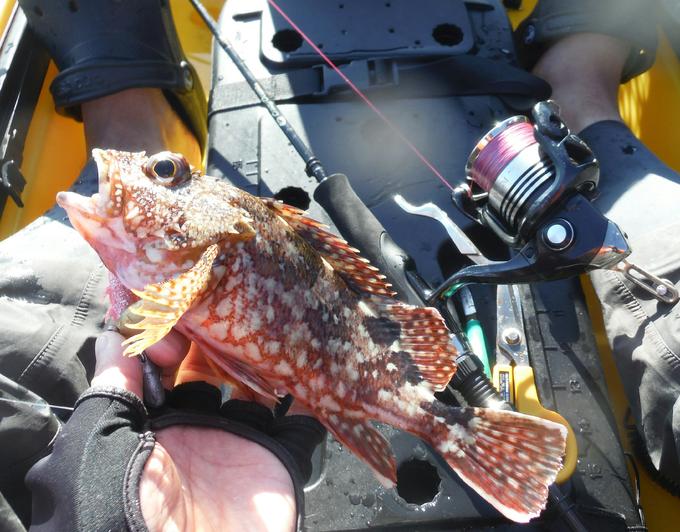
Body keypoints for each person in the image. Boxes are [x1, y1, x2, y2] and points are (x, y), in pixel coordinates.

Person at [0, 0, 678, 531]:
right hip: (328, 375)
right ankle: (582, 103)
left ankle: (128, 118)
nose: (137, 179)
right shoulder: (185, 268)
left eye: (166, 173)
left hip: (329, 374)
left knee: (17, 319)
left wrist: (109, 517)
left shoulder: (195, 262)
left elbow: (157, 325)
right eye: (164, 171)